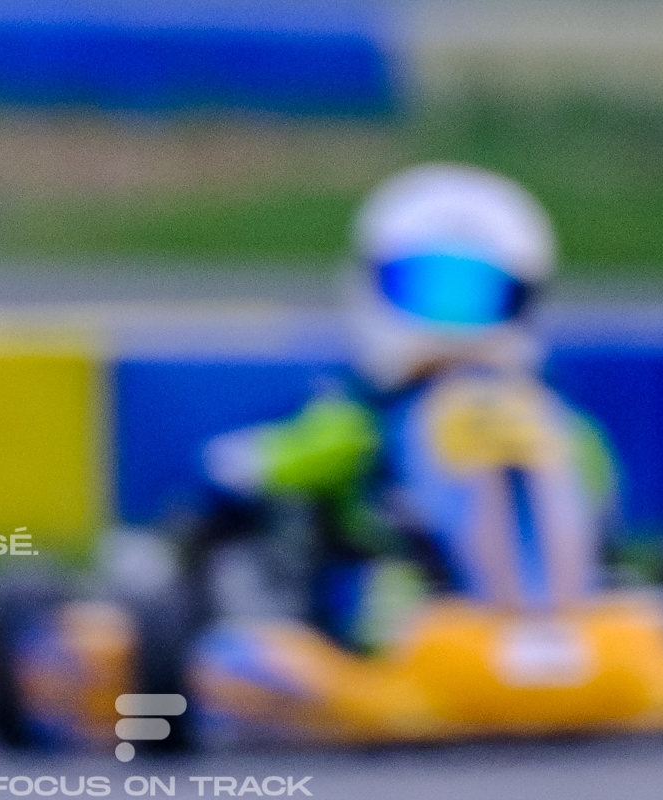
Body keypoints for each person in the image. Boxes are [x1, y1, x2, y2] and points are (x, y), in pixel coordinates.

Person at [176, 163, 619, 654]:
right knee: (374, 590)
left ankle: (547, 621)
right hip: (397, 613)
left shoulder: (561, 429)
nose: (451, 322)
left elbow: (597, 508)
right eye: (428, 290)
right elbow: (245, 467)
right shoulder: (360, 420)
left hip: (533, 617)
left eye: (475, 295)